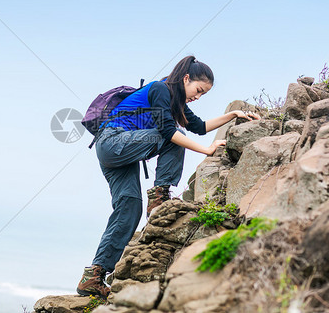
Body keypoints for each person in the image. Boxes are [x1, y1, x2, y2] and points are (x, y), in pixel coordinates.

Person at [76, 56, 260, 298]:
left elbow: (200, 126)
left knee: (129, 208)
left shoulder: (175, 102)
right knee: (173, 136)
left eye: (203, 94)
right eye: (198, 90)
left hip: (116, 151)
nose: (198, 96)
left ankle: (94, 276)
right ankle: (160, 196)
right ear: (186, 79)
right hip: (113, 141)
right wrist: (206, 149)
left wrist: (234, 114)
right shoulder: (160, 89)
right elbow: (168, 132)